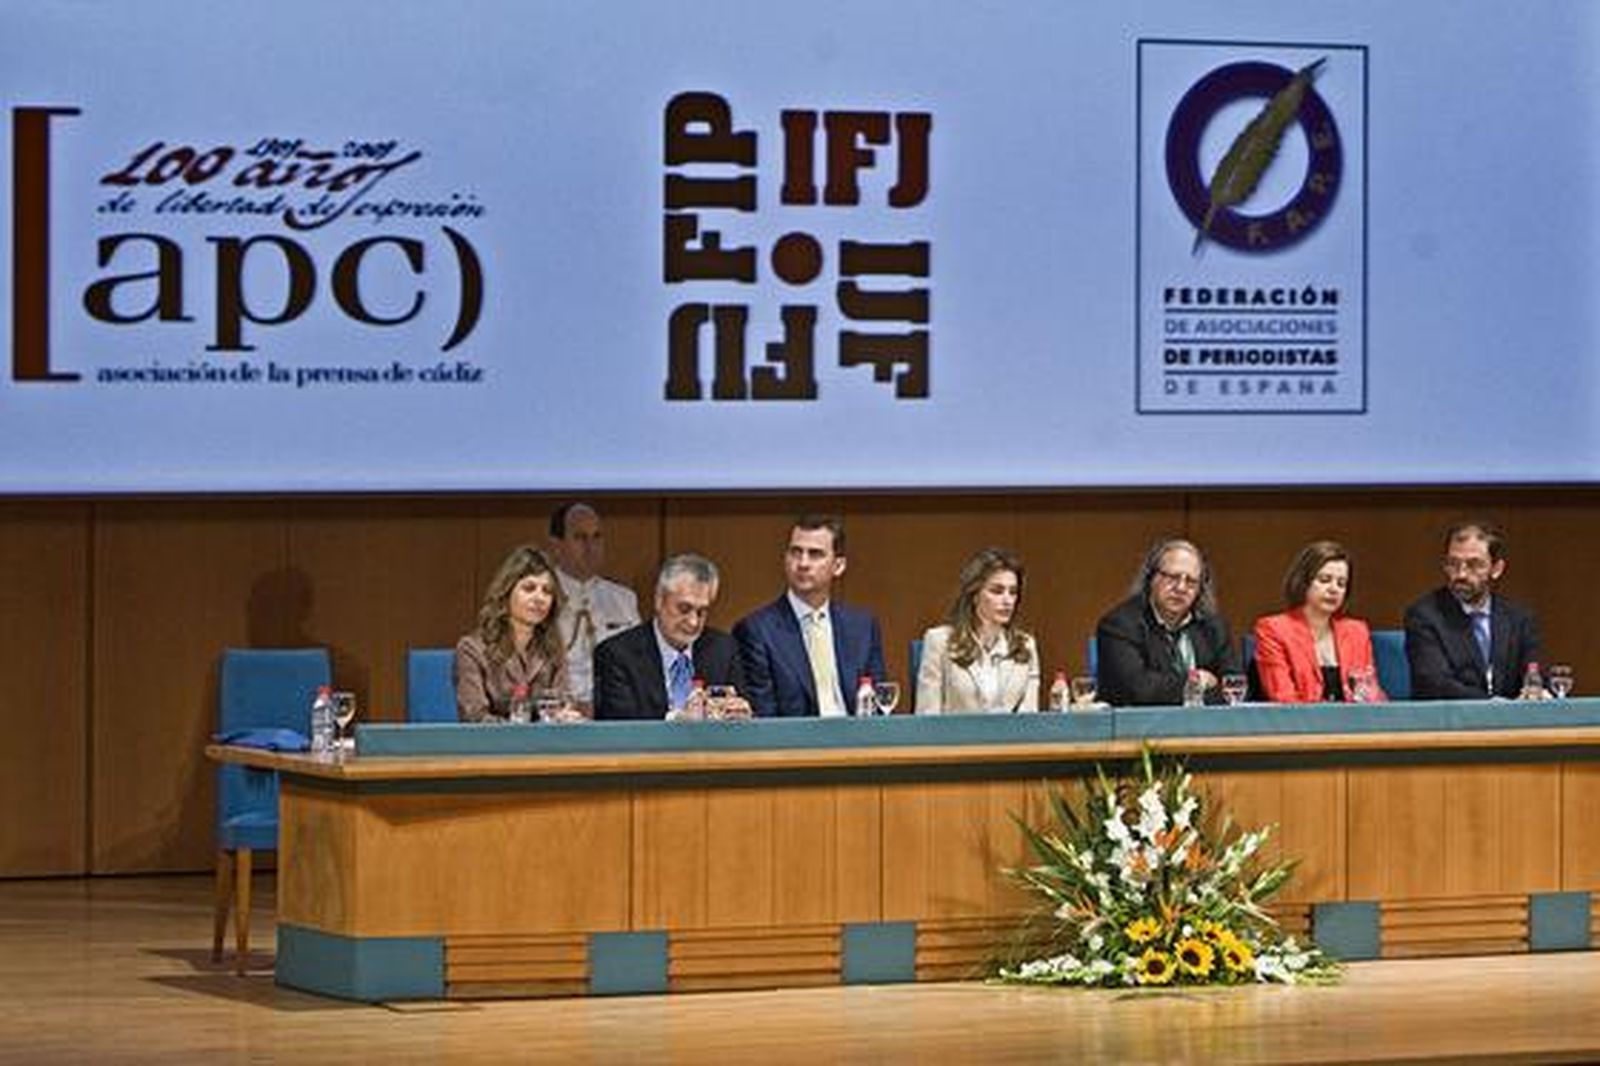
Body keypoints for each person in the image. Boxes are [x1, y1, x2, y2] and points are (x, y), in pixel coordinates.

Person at [734, 515, 887, 717]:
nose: (803, 563)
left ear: (838, 566)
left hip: (856, 742)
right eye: (795, 552)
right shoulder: (756, 630)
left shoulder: (862, 626)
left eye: (815, 554)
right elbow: (765, 717)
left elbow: (877, 705)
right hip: (795, 745)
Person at [593, 553, 751, 720]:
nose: (693, 622)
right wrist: (679, 719)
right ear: (659, 601)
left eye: (701, 612)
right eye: (684, 609)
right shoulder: (617, 655)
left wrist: (741, 714)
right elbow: (620, 730)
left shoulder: (724, 649)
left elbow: (744, 717)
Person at [1404, 520, 1543, 699]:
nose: (1461, 574)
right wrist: (1495, 706)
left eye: (1474, 564)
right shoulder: (1424, 615)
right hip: (1451, 722)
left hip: (1512, 724)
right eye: (1453, 563)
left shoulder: (1520, 619)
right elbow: (1435, 685)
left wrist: (1535, 692)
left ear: (1496, 569)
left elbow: (1534, 675)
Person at [1095, 537, 1239, 706]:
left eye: (1191, 582)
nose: (1181, 588)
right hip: (1139, 729)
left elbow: (1234, 689)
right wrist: (1198, 681)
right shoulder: (1119, 625)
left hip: (1205, 728)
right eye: (1172, 577)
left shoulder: (1214, 628)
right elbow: (1138, 691)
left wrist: (1165, 688)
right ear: (1151, 578)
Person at [1253, 540, 1386, 703]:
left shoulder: (1357, 631)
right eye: (1324, 580)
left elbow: (1371, 694)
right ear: (1304, 581)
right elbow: (1283, 697)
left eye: (1341, 584)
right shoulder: (1274, 629)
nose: (1333, 589)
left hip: (1353, 725)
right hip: (1300, 725)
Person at [915, 547, 1041, 714]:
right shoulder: (939, 642)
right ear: (974, 595)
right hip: (955, 739)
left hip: (1009, 740)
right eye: (997, 591)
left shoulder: (1026, 645)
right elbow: (927, 717)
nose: (1007, 600)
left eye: (1013, 592)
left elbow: (1029, 719)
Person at [454, 545, 570, 722]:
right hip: (493, 747)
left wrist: (565, 717)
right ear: (506, 592)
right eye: (529, 588)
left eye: (547, 591)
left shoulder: (554, 647)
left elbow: (560, 706)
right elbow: (475, 717)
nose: (539, 598)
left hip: (545, 747)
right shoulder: (472, 649)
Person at [548, 501, 641, 712]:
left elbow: (637, 667)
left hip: (615, 714)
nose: (591, 547)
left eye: (597, 537)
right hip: (555, 716)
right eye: (580, 538)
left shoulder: (623, 599)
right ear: (556, 545)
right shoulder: (541, 599)